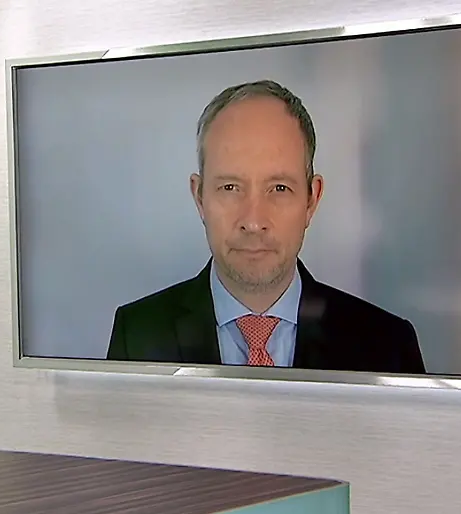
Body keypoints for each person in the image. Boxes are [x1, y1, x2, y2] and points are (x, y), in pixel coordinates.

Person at [106, 80, 426, 374]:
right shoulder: (137, 335)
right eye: (230, 187)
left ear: (312, 199)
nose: (254, 221)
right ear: (199, 197)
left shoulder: (387, 345)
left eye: (279, 189)